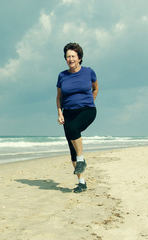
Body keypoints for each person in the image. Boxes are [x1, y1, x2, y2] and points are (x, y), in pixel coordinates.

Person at [56, 42, 99, 193]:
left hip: (87, 110)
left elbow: (95, 88)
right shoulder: (62, 75)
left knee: (74, 128)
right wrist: (60, 113)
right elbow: (59, 97)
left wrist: (89, 101)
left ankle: (81, 160)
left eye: (73, 56)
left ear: (79, 58)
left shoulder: (88, 72)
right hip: (68, 112)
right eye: (68, 56)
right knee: (72, 149)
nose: (70, 59)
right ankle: (82, 182)